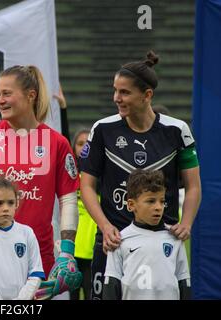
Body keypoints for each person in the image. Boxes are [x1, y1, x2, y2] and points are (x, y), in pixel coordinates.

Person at [80, 51, 201, 300]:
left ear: (147, 95)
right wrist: (105, 226)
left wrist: (186, 222)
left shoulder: (178, 130)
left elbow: (193, 186)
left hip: (161, 243)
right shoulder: (102, 129)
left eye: (124, 92)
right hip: (113, 242)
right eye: (115, 91)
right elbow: (87, 186)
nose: (116, 98)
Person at [0, 65, 81, 299]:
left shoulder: (57, 143)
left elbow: (68, 199)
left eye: (7, 93)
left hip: (39, 259)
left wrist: (67, 252)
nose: (0, 100)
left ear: (31, 95)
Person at [103, 169, 191, 300]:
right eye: (151, 201)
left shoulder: (174, 239)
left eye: (162, 201)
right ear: (132, 205)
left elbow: (184, 283)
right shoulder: (119, 240)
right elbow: (111, 286)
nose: (158, 207)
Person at [69, 128, 97, 300]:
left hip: (92, 243)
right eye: (80, 144)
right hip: (72, 241)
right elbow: (63, 134)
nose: (84, 147)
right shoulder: (69, 174)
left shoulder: (99, 175)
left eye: (88, 143)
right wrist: (63, 109)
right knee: (71, 293)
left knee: (90, 291)